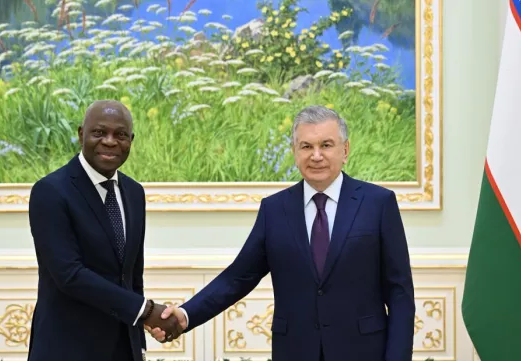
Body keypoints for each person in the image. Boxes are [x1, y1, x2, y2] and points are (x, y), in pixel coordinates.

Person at [147, 105, 415, 361]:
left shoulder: (378, 203)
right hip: (296, 351)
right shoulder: (274, 209)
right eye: (306, 146)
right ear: (294, 152)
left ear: (345, 150)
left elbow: (400, 292)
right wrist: (184, 315)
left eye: (326, 145)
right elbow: (238, 277)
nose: (316, 155)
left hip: (364, 352)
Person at [27, 100, 182, 361]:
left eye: (120, 135)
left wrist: (139, 342)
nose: (110, 141)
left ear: (131, 140)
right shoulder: (51, 191)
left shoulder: (134, 193)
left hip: (123, 349)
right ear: (81, 134)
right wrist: (145, 310)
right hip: (67, 348)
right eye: (99, 132)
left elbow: (132, 275)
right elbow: (70, 275)